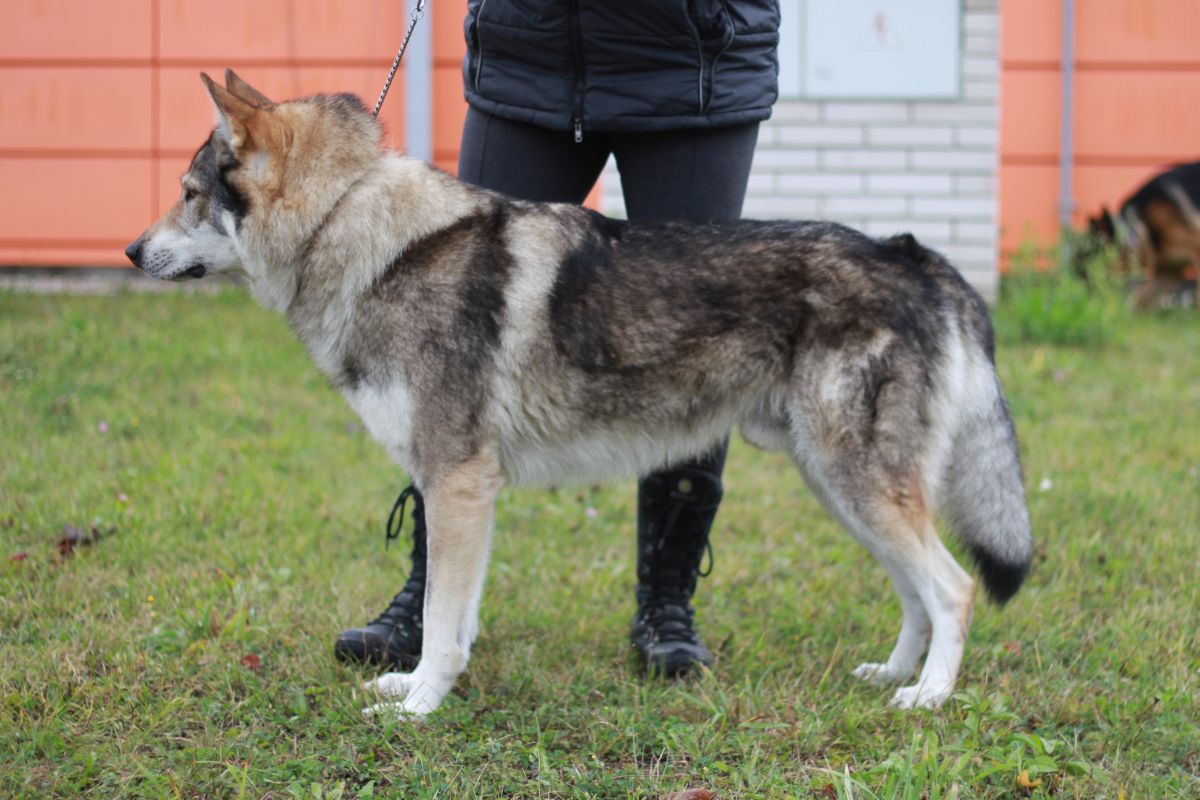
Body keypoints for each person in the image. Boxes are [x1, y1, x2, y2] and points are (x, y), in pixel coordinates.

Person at [335, 0, 781, 677]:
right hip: (528, 58)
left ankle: (666, 603)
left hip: (690, 65)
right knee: (451, 341)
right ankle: (429, 603)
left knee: (694, 345)